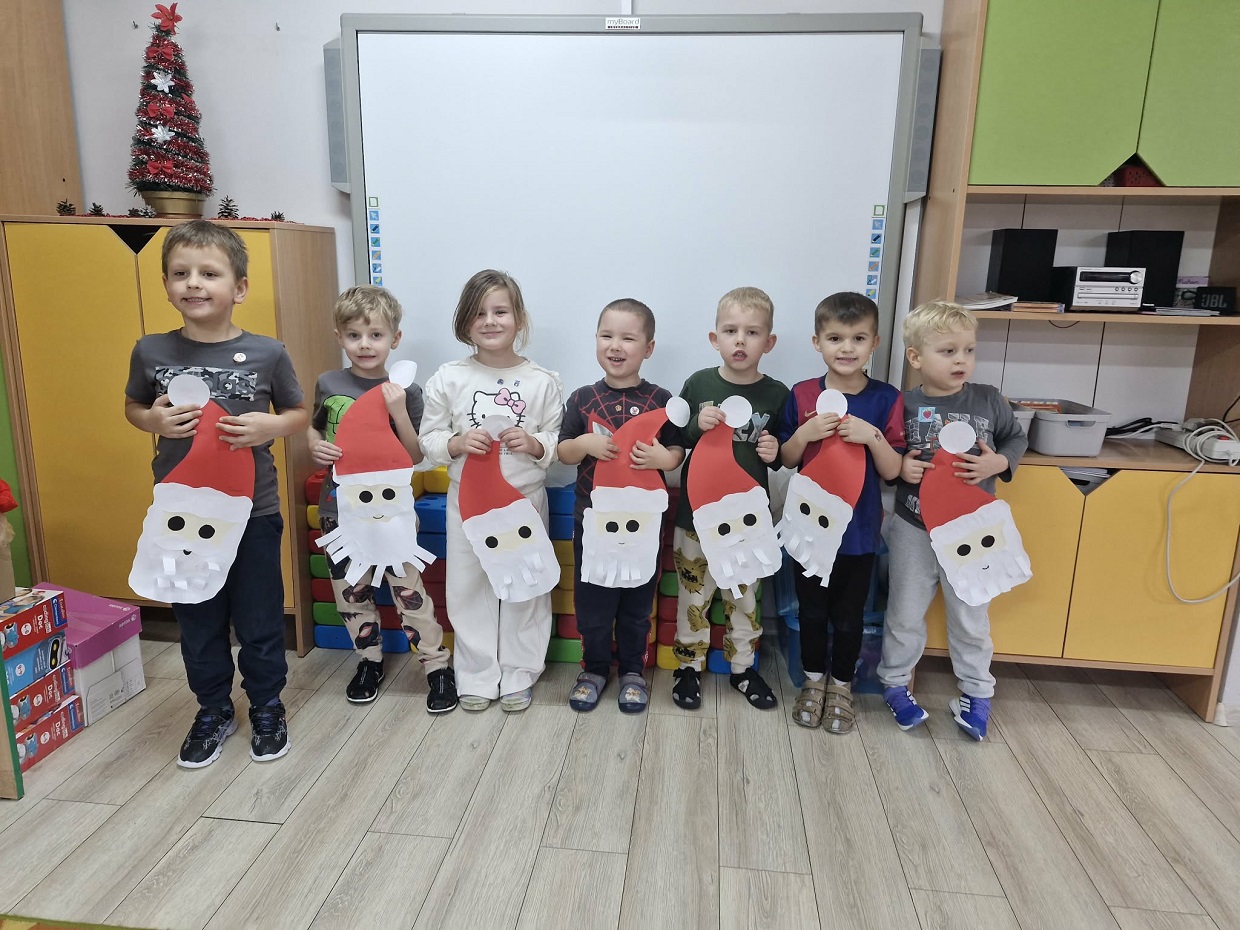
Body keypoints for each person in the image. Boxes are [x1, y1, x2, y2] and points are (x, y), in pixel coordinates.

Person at [124, 220, 307, 767]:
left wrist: (270, 427)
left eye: (209, 273)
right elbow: (133, 407)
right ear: (166, 285)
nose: (194, 283)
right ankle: (213, 709)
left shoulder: (268, 352)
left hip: (252, 512)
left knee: (259, 617)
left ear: (240, 287)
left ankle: (267, 705)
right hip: (180, 513)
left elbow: (298, 413)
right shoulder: (150, 350)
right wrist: (151, 419)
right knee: (198, 617)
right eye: (180, 274)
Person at [877, 300, 1028, 740]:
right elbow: (889, 455)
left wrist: (998, 462)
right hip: (914, 527)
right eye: (948, 351)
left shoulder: (988, 399)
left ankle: (977, 692)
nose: (961, 360)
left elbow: (1015, 439)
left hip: (975, 531)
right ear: (916, 357)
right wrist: (902, 468)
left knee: (971, 615)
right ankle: (895, 684)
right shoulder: (902, 404)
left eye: (968, 350)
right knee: (904, 612)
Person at [307, 285, 457, 712]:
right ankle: (369, 661)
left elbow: (415, 455)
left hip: (391, 511)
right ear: (339, 337)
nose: (365, 344)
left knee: (408, 589)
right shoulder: (329, 383)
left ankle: (436, 666)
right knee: (350, 591)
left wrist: (397, 411)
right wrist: (313, 445)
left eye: (375, 335)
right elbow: (315, 427)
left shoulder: (407, 390)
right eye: (354, 335)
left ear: (395, 338)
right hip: (339, 508)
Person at [419, 270, 563, 712]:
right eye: (479, 313)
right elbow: (429, 439)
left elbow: (557, 439)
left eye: (500, 311)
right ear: (465, 322)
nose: (490, 321)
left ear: (519, 318)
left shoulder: (542, 380)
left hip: (524, 503)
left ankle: (520, 671)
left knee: (526, 584)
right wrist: (457, 443)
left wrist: (534, 443)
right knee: (468, 586)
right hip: (467, 503)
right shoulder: (449, 377)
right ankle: (477, 674)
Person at [777, 292, 904, 734]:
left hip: (859, 533)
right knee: (811, 613)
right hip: (809, 531)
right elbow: (787, 458)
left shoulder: (886, 398)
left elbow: (893, 471)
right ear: (817, 343)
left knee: (849, 618)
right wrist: (807, 431)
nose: (846, 348)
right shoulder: (802, 394)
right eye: (835, 338)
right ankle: (813, 682)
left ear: (875, 343)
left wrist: (872, 437)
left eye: (858, 338)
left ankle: (842, 687)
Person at [557, 299, 684, 713]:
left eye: (628, 338)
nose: (615, 345)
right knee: (592, 604)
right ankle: (594, 669)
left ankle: (632, 670)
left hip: (643, 525)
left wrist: (664, 459)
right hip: (592, 523)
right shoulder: (582, 398)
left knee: (636, 603)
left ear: (648, 348)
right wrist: (583, 443)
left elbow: (678, 451)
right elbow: (563, 452)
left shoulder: (662, 399)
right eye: (606, 335)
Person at [671, 287, 789, 710]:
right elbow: (677, 439)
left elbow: (785, 450)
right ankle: (688, 667)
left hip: (747, 522)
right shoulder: (699, 383)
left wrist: (775, 452)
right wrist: (695, 426)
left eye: (752, 332)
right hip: (696, 517)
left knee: (744, 597)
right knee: (694, 596)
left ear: (768, 342)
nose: (740, 340)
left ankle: (742, 667)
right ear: (714, 338)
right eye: (730, 330)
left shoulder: (777, 393)